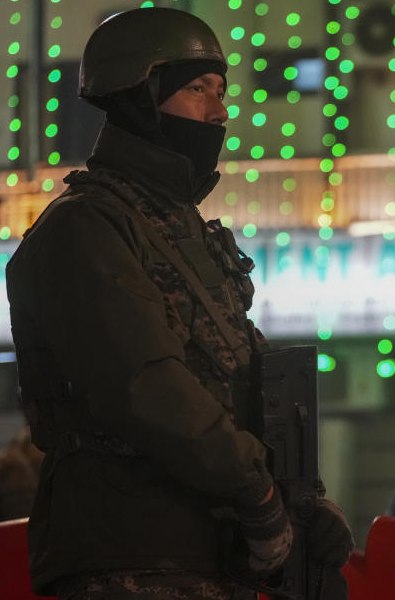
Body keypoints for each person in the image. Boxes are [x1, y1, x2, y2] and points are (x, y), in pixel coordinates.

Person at [6, 8, 352, 600]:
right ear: (139, 97)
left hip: (207, 557)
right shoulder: (85, 227)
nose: (219, 112)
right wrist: (259, 491)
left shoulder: (173, 227)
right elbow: (145, 385)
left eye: (221, 92)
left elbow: (235, 377)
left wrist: (300, 501)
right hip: (130, 556)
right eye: (197, 90)